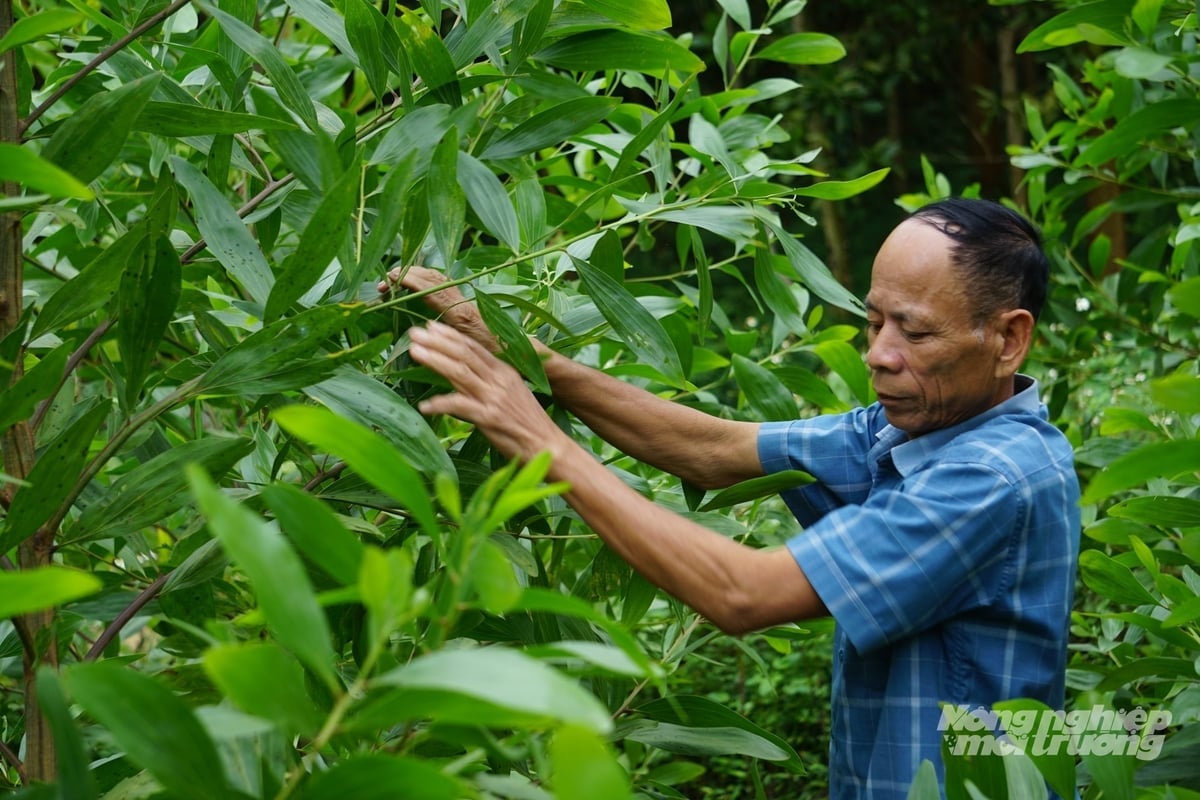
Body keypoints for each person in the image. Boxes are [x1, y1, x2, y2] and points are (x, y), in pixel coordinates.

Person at [378, 197, 1080, 799]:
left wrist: (539, 442)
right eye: (874, 323)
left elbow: (743, 593)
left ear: (1008, 339)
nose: (879, 354)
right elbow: (711, 451)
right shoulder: (913, 426)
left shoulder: (993, 477)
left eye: (915, 331)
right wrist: (522, 355)